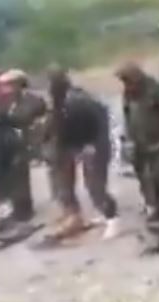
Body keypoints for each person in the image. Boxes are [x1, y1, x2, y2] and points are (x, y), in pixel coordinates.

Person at [115, 62, 159, 254]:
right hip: (141, 150)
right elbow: (128, 119)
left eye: (128, 80)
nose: (126, 84)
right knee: (149, 191)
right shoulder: (128, 94)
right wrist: (129, 144)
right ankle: (156, 233)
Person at [43, 67, 120, 241]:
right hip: (83, 144)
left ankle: (113, 219)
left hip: (94, 144)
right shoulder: (63, 102)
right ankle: (102, 214)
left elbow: (99, 122)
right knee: (89, 184)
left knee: (95, 185)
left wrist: (91, 144)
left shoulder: (77, 101)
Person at [0, 69, 47, 224]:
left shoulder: (33, 100)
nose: (6, 88)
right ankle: (14, 206)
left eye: (9, 85)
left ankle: (24, 209)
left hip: (25, 139)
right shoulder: (5, 100)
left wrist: (8, 118)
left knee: (20, 174)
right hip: (7, 141)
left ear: (19, 84)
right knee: (9, 174)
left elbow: (26, 117)